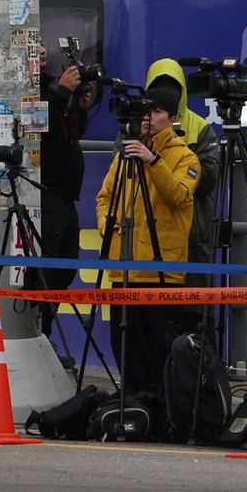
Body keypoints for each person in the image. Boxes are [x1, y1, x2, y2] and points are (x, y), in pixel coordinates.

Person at [93, 85, 200, 393]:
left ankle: (165, 408)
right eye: (147, 111)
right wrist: (107, 226)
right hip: (123, 267)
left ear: (171, 118)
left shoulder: (185, 157)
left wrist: (153, 161)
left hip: (161, 270)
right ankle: (133, 406)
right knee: (126, 347)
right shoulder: (127, 152)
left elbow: (178, 195)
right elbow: (105, 197)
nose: (149, 118)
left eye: (157, 112)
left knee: (162, 348)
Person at [145, 60, 222, 318]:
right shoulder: (136, 128)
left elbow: (210, 176)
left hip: (191, 234)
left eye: (173, 91)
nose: (168, 97)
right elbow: (116, 178)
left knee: (195, 314)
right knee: (153, 319)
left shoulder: (200, 127)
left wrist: (164, 170)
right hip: (147, 237)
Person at [37, 42, 98, 303]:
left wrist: (79, 107)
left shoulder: (50, 92)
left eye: (41, 44)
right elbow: (38, 130)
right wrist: (62, 93)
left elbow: (68, 136)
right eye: (33, 45)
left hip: (65, 196)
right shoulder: (30, 92)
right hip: (46, 193)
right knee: (46, 271)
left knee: (66, 267)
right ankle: (42, 330)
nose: (41, 50)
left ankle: (46, 328)